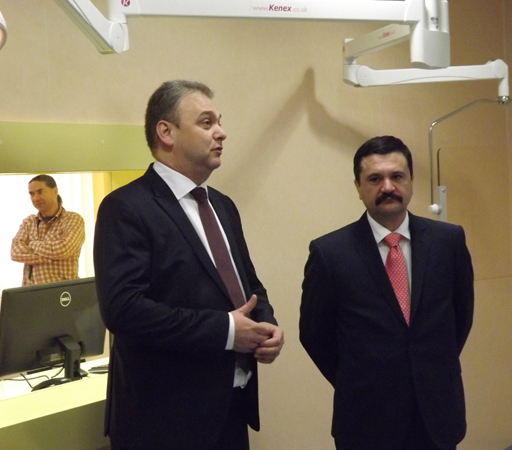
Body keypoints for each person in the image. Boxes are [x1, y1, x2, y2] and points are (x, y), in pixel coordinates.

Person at [93, 80, 284, 450]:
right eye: (206, 122)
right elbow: (123, 310)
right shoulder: (126, 207)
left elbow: (248, 286)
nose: (221, 132)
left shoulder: (222, 205)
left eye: (219, 122)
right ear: (166, 132)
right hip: (163, 421)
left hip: (230, 409)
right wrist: (226, 330)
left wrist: (266, 325)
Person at [299, 136, 474, 450]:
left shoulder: (448, 241)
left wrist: (429, 369)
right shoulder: (330, 253)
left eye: (397, 176)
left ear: (411, 182)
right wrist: (358, 380)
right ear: (358, 187)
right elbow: (314, 334)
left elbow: (461, 317)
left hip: (437, 414)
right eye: (374, 179)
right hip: (366, 420)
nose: (388, 187)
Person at [10, 174, 85, 286]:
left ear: (55, 191)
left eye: (40, 192)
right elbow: (15, 253)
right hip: (31, 293)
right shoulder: (29, 222)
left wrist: (33, 244)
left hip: (63, 293)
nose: (36, 198)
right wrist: (50, 257)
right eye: (32, 194)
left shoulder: (73, 219)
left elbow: (63, 249)